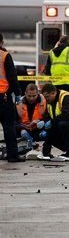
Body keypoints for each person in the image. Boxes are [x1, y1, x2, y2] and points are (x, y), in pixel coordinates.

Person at [0, 33, 24, 163]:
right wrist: (18, 93)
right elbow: (12, 77)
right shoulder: (5, 55)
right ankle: (13, 156)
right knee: (9, 128)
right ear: (2, 42)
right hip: (4, 98)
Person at [16, 83, 46, 150]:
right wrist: (23, 127)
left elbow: (48, 117)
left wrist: (40, 121)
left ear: (37, 93)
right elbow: (14, 121)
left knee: (45, 132)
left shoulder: (44, 102)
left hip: (38, 127)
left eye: (34, 96)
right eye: (29, 96)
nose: (31, 98)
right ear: (25, 94)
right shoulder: (19, 103)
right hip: (24, 128)